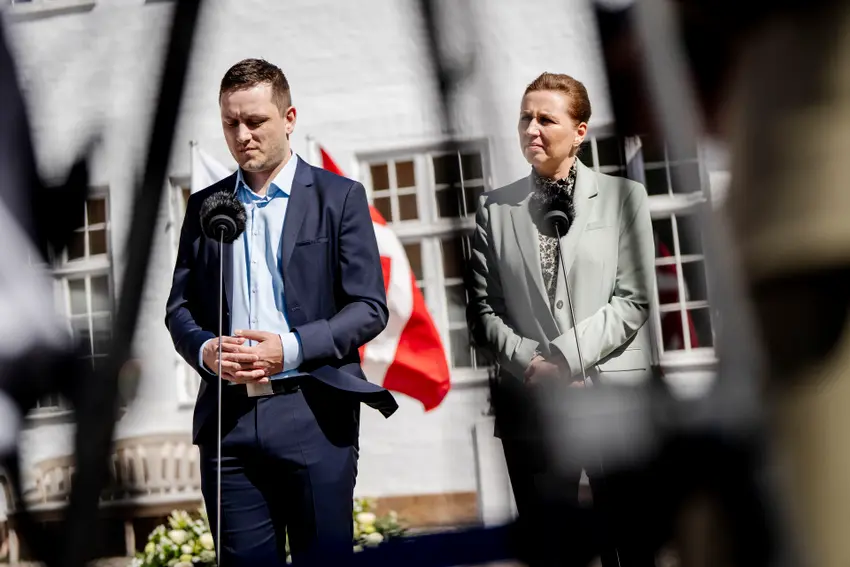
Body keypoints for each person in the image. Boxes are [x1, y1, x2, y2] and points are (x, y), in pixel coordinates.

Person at [165, 58, 397, 566]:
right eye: (231, 123)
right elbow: (179, 310)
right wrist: (206, 351)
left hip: (312, 410)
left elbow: (368, 308)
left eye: (255, 121)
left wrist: (287, 349)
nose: (242, 135)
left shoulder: (339, 197)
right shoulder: (204, 206)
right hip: (227, 422)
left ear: (289, 118)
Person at [467, 72, 657, 566]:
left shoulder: (624, 198)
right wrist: (533, 363)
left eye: (546, 119)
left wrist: (564, 359)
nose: (531, 129)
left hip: (614, 401)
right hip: (531, 408)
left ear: (579, 131)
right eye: (524, 118)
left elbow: (633, 299)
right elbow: (483, 310)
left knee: (631, 548)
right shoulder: (494, 209)